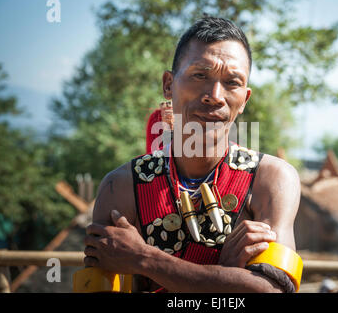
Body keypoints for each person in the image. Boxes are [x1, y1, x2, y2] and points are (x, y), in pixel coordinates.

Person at [81, 16, 303, 293]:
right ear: (168, 85)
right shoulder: (122, 186)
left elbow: (272, 291)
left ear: (245, 100)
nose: (215, 95)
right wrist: (231, 278)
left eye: (232, 82)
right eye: (200, 76)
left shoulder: (271, 179)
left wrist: (143, 259)